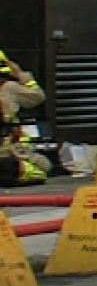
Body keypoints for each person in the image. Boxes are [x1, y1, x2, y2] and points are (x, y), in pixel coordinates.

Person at [0, 50, 50, 186]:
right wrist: (22, 75)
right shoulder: (9, 88)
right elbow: (39, 97)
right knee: (44, 166)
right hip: (6, 152)